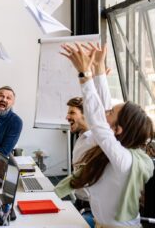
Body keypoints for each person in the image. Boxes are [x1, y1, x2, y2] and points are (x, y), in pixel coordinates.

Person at [56, 42, 154, 227]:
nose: (104, 112)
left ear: (118, 130)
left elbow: (98, 122)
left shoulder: (124, 160)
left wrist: (85, 75)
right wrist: (99, 69)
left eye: (109, 114)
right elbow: (104, 108)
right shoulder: (117, 150)